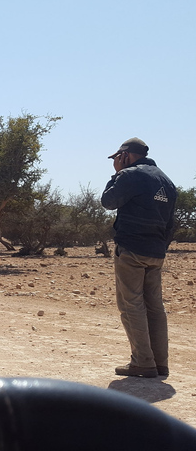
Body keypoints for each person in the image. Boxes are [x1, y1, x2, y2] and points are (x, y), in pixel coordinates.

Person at [101, 137, 177, 378]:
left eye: (117, 157)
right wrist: (160, 247)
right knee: (154, 306)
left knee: (131, 304)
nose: (116, 162)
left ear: (125, 154)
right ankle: (160, 363)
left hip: (132, 249)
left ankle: (143, 362)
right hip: (155, 252)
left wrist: (117, 173)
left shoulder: (129, 175)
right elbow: (171, 223)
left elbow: (108, 201)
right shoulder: (166, 181)